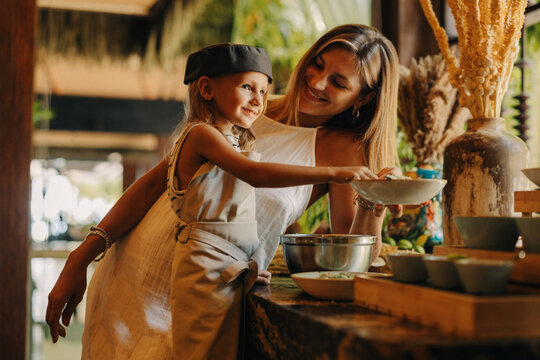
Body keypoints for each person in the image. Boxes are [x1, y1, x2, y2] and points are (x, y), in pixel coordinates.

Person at [46, 24, 403, 358]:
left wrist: (376, 202)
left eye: (339, 82)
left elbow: (349, 259)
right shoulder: (243, 103)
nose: (317, 81)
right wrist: (80, 258)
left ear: (363, 99)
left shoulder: (344, 151)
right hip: (134, 279)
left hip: (207, 300)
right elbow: (153, 187)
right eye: (317, 64)